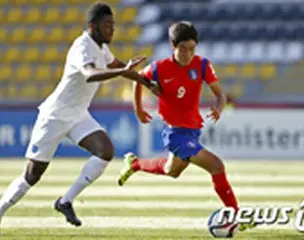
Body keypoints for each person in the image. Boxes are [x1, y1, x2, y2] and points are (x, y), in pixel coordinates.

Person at [0, 2, 159, 227]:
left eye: (113, 25)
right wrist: (122, 72)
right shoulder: (82, 47)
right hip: (54, 116)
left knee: (105, 151)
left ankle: (65, 201)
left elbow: (117, 64)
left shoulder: (101, 47)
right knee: (32, 176)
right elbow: (89, 73)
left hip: (77, 115)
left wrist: (146, 82)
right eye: (107, 25)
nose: (112, 29)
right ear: (93, 26)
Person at [118, 21, 250, 231]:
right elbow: (137, 79)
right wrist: (139, 109)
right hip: (175, 133)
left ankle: (134, 164)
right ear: (173, 46)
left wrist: (219, 106)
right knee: (217, 166)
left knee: (172, 171)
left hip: (193, 130)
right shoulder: (160, 68)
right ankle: (236, 215)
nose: (188, 54)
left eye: (192, 49)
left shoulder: (202, 65)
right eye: (183, 49)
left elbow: (220, 94)